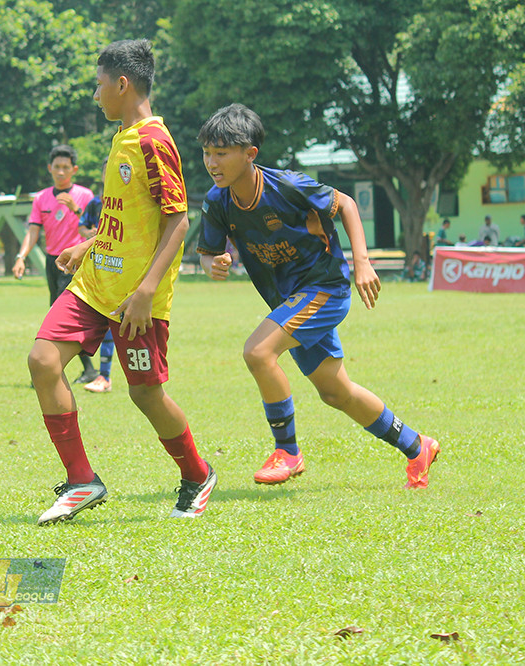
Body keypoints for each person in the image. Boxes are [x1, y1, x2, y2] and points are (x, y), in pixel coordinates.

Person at [197, 103, 439, 490]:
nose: (212, 161)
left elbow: (347, 204)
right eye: (207, 152)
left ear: (250, 154)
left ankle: (287, 452)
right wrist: (214, 266)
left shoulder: (287, 186)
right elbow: (208, 255)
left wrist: (362, 262)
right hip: (290, 300)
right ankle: (417, 446)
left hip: (324, 289)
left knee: (257, 352)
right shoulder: (217, 201)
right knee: (335, 391)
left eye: (221, 152)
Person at [29, 39, 215, 525]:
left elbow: (178, 221)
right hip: (95, 284)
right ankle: (81, 480)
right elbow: (128, 216)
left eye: (99, 84)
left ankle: (197, 475)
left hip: (137, 298)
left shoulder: (154, 141)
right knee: (43, 360)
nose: (96, 95)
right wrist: (88, 243)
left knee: (145, 393)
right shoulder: (123, 136)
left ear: (122, 83)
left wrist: (146, 291)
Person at [13, 145, 98, 385]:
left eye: (66, 167)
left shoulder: (85, 195)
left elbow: (96, 229)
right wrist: (21, 257)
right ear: (49, 169)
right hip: (53, 262)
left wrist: (75, 209)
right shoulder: (41, 198)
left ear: (74, 169)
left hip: (75, 261)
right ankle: (89, 370)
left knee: (58, 315)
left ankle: (49, 369)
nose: (61, 172)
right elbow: (32, 232)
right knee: (58, 313)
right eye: (57, 167)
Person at [78, 161, 115, 393]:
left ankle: (105, 376)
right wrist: (89, 233)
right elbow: (82, 226)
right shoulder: (95, 204)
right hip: (97, 270)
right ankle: (102, 375)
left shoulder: (129, 203)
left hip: (122, 272)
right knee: (103, 324)